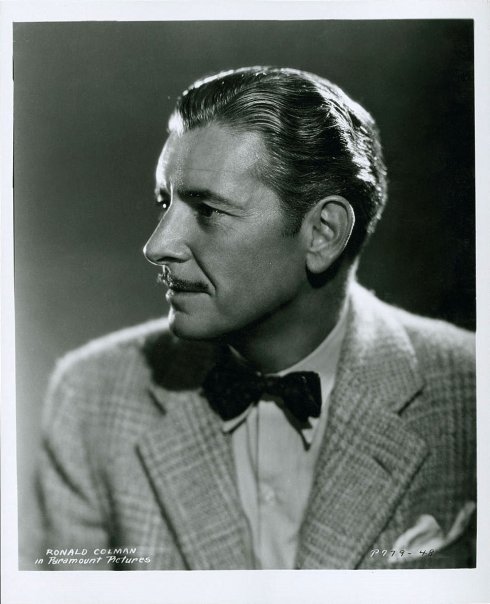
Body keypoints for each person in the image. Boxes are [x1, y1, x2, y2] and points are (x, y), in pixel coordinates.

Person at [30, 66, 476, 570]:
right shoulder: (90, 398)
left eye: (207, 210)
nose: (157, 246)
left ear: (323, 233)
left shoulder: (470, 390)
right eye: (165, 203)